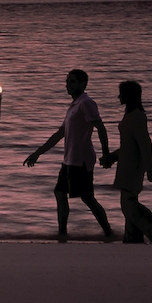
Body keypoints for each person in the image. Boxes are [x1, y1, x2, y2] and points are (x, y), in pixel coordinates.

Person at [23, 69, 114, 240]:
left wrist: (106, 153)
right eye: (67, 82)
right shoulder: (73, 106)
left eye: (72, 82)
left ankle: (108, 233)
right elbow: (60, 133)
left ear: (82, 84)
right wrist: (38, 153)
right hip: (69, 160)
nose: (68, 85)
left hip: (81, 160)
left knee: (87, 198)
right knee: (59, 193)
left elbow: (100, 127)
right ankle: (62, 232)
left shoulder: (86, 103)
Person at [100, 81, 152, 244]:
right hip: (126, 165)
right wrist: (112, 157)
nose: (119, 96)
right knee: (128, 203)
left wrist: (149, 168)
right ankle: (132, 238)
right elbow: (128, 147)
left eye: (122, 93)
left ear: (129, 96)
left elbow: (145, 144)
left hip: (133, 167)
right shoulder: (130, 116)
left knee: (128, 204)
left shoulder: (137, 117)